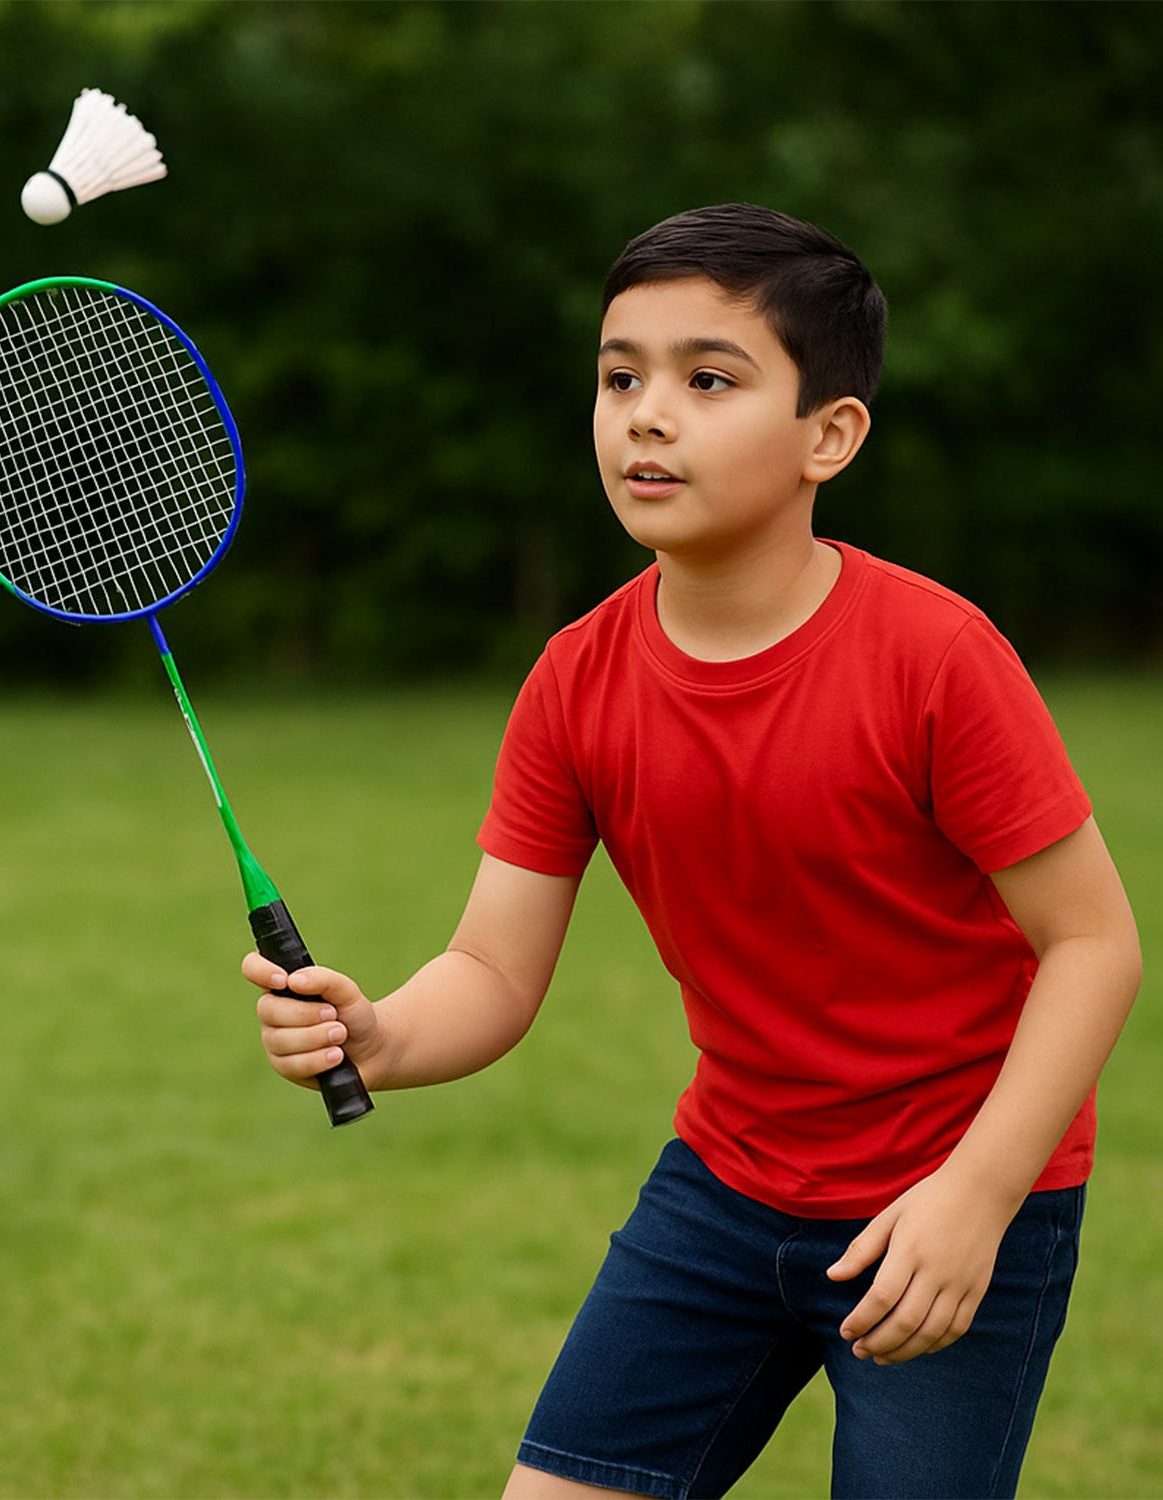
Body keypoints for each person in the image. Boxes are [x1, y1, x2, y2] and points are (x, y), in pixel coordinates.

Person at [242, 204, 1141, 1500]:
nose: (645, 414)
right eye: (620, 377)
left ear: (826, 435)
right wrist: (379, 1034)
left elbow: (1092, 943)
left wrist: (977, 1198)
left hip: (944, 1197)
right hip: (724, 1189)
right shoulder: (573, 681)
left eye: (705, 379)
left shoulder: (934, 658)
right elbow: (492, 970)